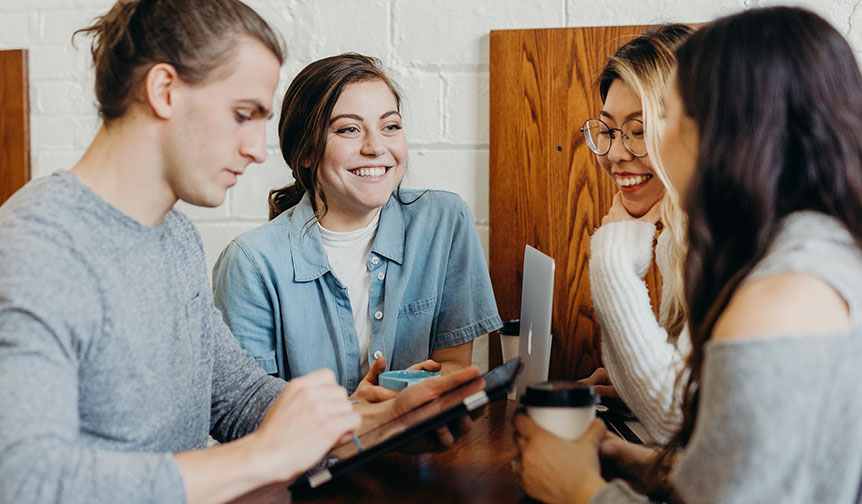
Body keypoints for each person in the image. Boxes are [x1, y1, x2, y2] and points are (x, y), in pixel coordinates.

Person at [0, 2, 479, 503]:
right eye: (243, 114)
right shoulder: (37, 249)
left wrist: (379, 424)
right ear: (164, 91)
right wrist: (262, 457)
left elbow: (238, 398)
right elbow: (25, 481)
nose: (257, 149)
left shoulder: (174, 238)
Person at [514, 6, 862, 503]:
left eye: (669, 115)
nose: (629, 148)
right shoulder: (816, 251)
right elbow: (748, 472)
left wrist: (579, 490)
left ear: (729, 130)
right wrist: (639, 463)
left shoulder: (781, 296)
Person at [212, 53, 502, 401]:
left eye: (390, 126)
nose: (376, 147)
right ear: (305, 151)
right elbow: (249, 412)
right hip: (313, 455)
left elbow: (454, 365)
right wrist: (359, 412)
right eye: (349, 129)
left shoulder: (444, 221)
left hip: (420, 448)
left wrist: (407, 398)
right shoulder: (250, 263)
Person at [584, 24, 693, 443]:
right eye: (609, 130)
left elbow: (675, 421)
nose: (614, 153)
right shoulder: (676, 239)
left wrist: (612, 258)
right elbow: (686, 402)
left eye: (639, 129)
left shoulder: (730, 242)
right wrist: (630, 387)